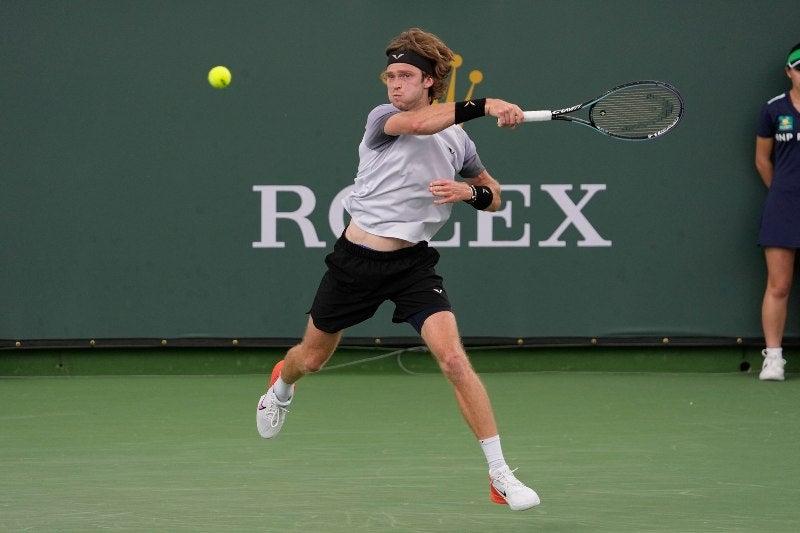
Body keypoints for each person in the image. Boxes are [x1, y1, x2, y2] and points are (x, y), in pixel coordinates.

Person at [256, 28, 540, 511]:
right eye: (390, 75)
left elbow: (494, 198)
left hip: (412, 264)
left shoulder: (458, 140)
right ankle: (283, 383)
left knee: (453, 359)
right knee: (312, 358)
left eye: (406, 75)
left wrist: (470, 193)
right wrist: (489, 103)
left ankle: (500, 475)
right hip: (354, 263)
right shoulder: (383, 118)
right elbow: (420, 126)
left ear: (430, 81)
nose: (394, 84)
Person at [755, 42, 800, 381]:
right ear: (789, 72)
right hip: (784, 205)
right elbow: (762, 160)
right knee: (779, 285)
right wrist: (783, 193)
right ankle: (773, 359)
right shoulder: (773, 110)